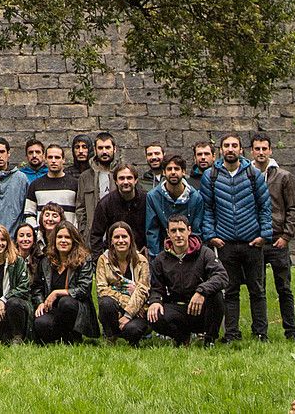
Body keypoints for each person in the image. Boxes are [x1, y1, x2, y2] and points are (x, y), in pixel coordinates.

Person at [200, 132, 273, 343]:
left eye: (234, 145)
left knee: (257, 290)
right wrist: (211, 235)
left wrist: (264, 235)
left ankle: (261, 333)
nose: (230, 149)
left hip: (252, 241)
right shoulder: (211, 176)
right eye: (226, 145)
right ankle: (232, 333)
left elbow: (264, 207)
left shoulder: (254, 174)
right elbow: (208, 208)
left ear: (241, 150)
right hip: (225, 243)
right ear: (220, 150)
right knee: (229, 290)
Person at [147, 215, 228, 347]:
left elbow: (222, 276)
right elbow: (156, 288)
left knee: (217, 296)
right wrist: (155, 301)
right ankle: (181, 337)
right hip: (177, 308)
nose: (178, 235)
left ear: (189, 231)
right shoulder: (160, 260)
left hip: (202, 307)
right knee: (154, 314)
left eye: (181, 230)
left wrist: (201, 291)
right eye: (173, 231)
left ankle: (210, 340)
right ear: (168, 233)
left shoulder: (204, 253)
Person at [251, 132, 295, 340]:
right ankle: (260, 332)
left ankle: (291, 331)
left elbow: (292, 209)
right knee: (257, 289)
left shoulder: (283, 176)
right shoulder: (247, 174)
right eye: (257, 149)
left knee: (284, 289)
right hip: (256, 241)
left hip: (278, 239)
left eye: (264, 148)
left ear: (270, 150)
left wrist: (286, 236)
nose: (261, 152)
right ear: (251, 151)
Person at [32, 221, 99, 344]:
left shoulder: (84, 260)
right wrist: (40, 302)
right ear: (54, 240)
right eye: (60, 237)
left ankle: (73, 336)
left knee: (66, 302)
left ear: (74, 240)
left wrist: (57, 293)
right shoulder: (46, 261)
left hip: (76, 308)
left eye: (67, 237)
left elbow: (84, 290)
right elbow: (37, 288)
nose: (63, 240)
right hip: (52, 309)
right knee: (40, 323)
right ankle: (60, 336)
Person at [96, 221, 150, 346]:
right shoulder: (103, 260)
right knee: (105, 302)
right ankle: (111, 336)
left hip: (138, 310)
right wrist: (126, 300)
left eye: (124, 236)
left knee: (133, 330)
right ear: (111, 241)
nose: (121, 240)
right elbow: (102, 289)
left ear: (131, 239)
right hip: (116, 307)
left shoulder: (142, 261)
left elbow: (143, 290)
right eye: (116, 237)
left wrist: (128, 314)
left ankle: (132, 338)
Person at [146, 154, 206, 257]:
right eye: (169, 169)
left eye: (176, 169)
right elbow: (152, 231)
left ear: (183, 172)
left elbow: (196, 231)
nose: (173, 172)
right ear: (164, 172)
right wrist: (156, 258)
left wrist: (191, 255)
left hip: (189, 253)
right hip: (163, 253)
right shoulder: (153, 197)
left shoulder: (196, 198)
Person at [89, 163, 147, 256]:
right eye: (121, 178)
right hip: (114, 257)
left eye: (129, 178)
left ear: (136, 180)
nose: (125, 182)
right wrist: (99, 259)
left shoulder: (146, 200)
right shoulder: (105, 203)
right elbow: (96, 235)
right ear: (115, 181)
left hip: (141, 255)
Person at [23, 144, 78, 227]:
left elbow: (79, 213)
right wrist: (37, 233)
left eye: (57, 157)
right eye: (50, 157)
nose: (53, 161)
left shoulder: (74, 184)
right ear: (45, 159)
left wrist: (73, 233)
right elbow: (29, 213)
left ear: (63, 160)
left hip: (67, 237)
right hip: (42, 237)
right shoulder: (35, 185)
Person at [75, 131, 118, 237]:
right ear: (95, 150)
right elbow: (80, 208)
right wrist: (84, 230)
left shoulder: (122, 174)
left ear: (114, 149)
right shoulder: (85, 177)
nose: (104, 152)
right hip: (93, 235)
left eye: (107, 148)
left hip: (117, 233)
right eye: (100, 148)